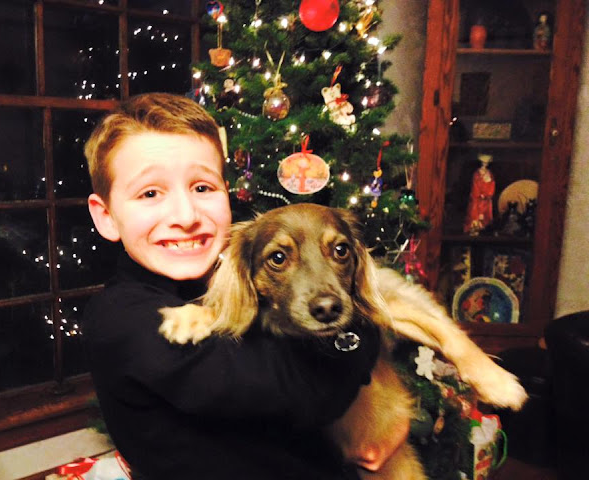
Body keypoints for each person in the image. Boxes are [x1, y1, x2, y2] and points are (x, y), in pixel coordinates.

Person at [82, 92, 405, 479]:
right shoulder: (122, 320)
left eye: (202, 188)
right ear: (106, 216)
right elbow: (312, 390)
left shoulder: (230, 283)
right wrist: (360, 333)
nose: (185, 215)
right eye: (150, 193)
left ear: (226, 192)